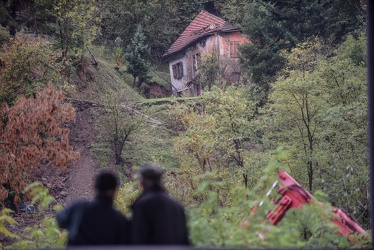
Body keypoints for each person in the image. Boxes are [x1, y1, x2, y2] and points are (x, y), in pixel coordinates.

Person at [56, 170, 130, 246]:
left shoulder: (79, 207)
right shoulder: (120, 220)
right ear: (115, 190)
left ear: (94, 188)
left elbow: (60, 220)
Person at [131, 163, 189, 245]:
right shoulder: (176, 205)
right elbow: (185, 239)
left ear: (142, 182)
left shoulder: (142, 204)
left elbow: (138, 238)